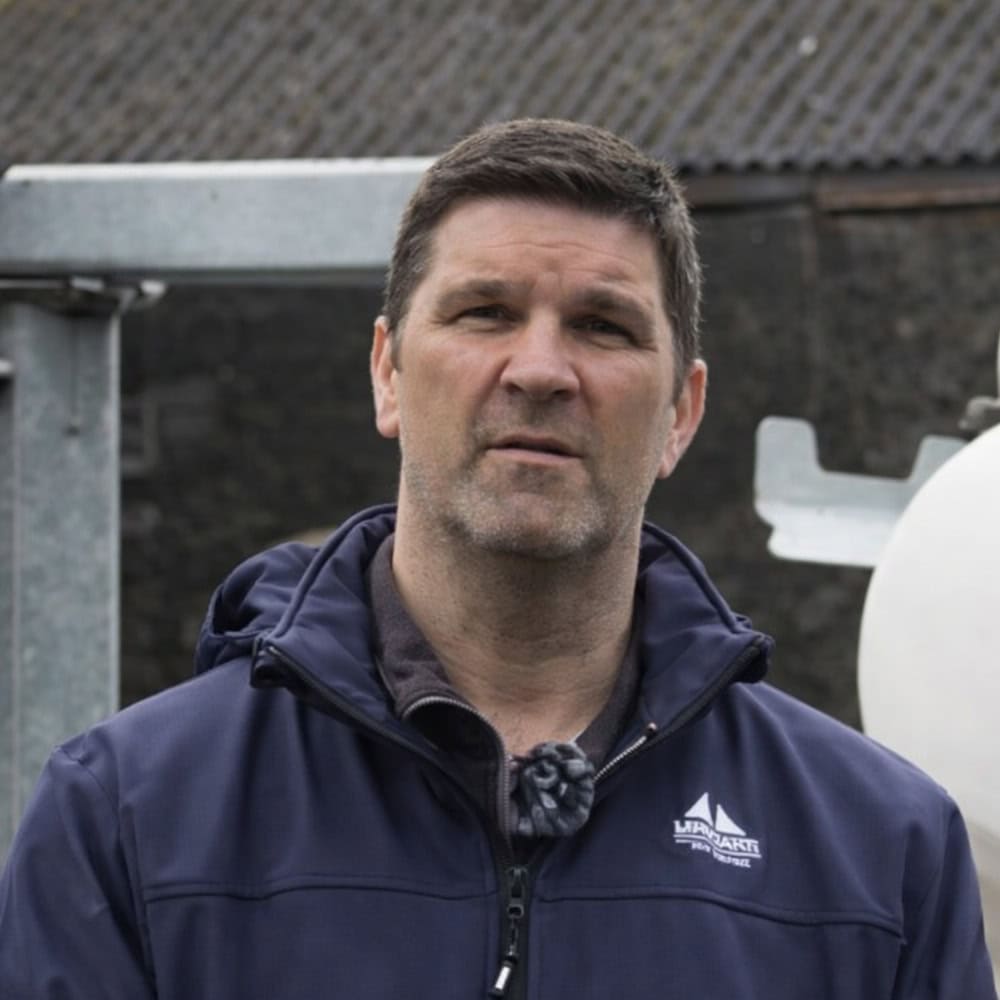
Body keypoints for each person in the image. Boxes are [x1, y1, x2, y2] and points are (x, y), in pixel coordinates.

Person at [0, 118, 995, 999]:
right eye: (484, 312)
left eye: (603, 326)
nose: (540, 370)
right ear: (388, 372)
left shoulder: (879, 850)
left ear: (680, 413)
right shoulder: (129, 818)